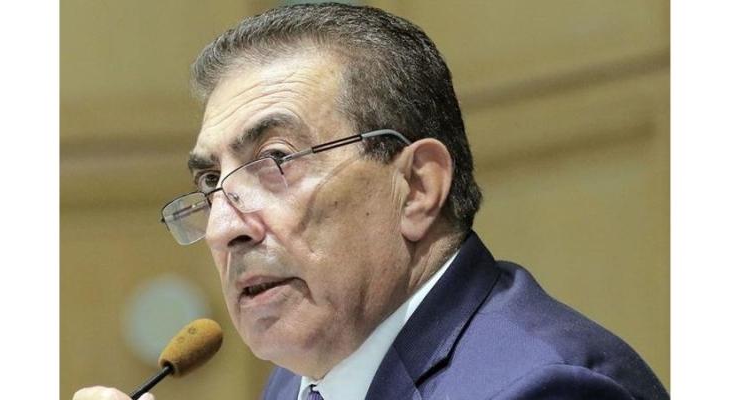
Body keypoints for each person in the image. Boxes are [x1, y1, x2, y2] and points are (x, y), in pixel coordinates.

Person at [74, 3, 668, 400]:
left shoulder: (542, 389)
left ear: (417, 188)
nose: (222, 227)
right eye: (211, 183)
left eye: (275, 160)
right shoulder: (297, 381)